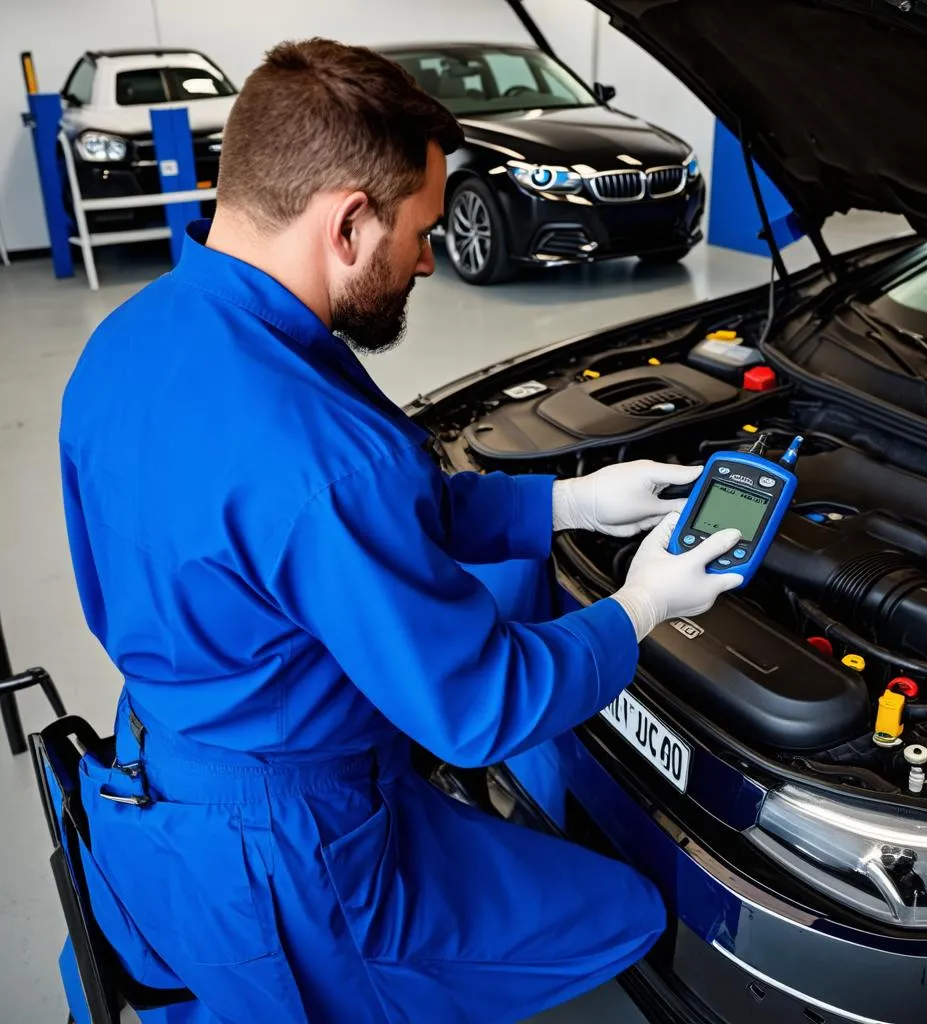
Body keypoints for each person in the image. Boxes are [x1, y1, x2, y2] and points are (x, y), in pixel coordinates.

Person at [59, 39, 743, 1024]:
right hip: (295, 851)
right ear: (345, 223)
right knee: (624, 913)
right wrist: (639, 607)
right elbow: (479, 709)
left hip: (156, 779)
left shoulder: (131, 340)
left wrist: (569, 502)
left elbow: (363, 522)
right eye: (419, 229)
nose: (428, 257)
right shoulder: (324, 449)